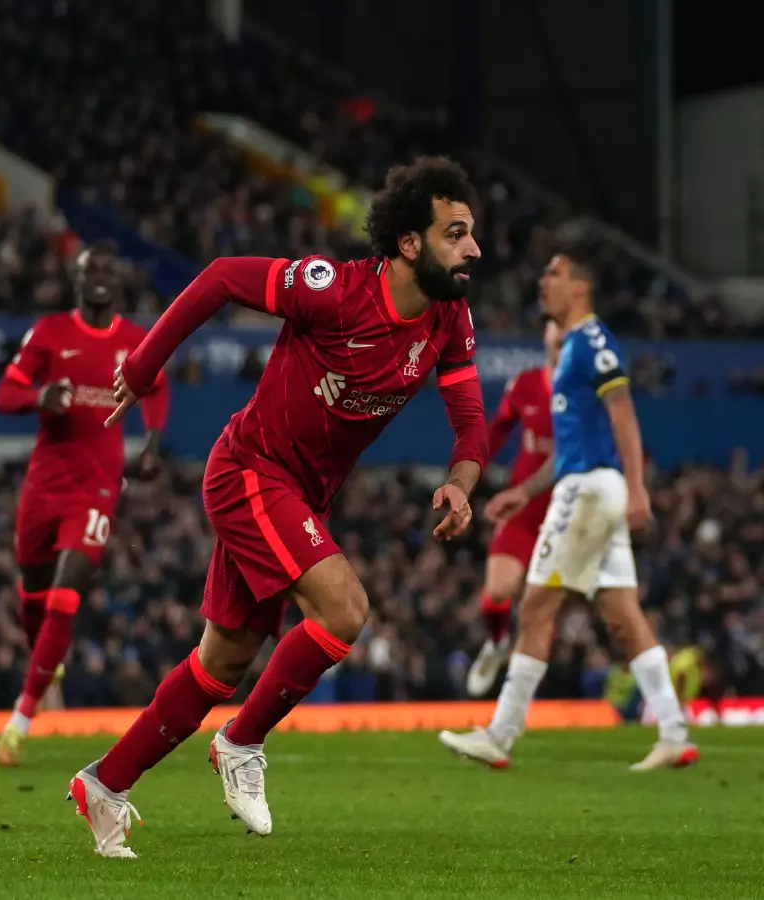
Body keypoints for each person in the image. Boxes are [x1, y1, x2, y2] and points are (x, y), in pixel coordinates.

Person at [67, 156, 490, 859]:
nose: (473, 248)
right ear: (411, 243)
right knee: (345, 609)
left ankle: (104, 783)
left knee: (222, 664)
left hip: (300, 495)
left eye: (472, 233)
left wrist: (461, 483)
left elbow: (472, 419)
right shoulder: (334, 291)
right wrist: (142, 367)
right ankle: (242, 741)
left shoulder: (449, 317)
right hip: (250, 472)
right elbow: (222, 277)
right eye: (456, 233)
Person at [439, 242, 699, 770]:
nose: (542, 281)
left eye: (553, 273)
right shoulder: (572, 354)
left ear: (579, 286)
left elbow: (623, 410)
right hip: (588, 486)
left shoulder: (591, 341)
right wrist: (524, 491)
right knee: (623, 615)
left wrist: (638, 488)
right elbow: (568, 448)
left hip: (587, 494)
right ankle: (673, 731)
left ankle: (499, 734)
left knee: (536, 609)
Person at [0, 240, 168, 766]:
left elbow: (156, 387)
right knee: (34, 596)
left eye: (109, 271)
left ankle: (18, 724)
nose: (100, 278)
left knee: (66, 598)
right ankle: (47, 664)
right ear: (78, 278)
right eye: (92, 270)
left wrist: (153, 442)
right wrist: (36, 398)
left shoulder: (135, 342)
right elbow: (4, 394)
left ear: (117, 282)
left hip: (98, 486)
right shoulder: (49, 334)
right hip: (45, 485)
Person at [465, 319, 562, 696]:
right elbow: (499, 427)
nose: (560, 337)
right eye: (555, 329)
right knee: (499, 590)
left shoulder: (586, 391)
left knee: (543, 610)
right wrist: (472, 473)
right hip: (524, 506)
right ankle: (496, 642)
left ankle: (522, 694)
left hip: (567, 511)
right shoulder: (525, 384)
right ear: (546, 335)